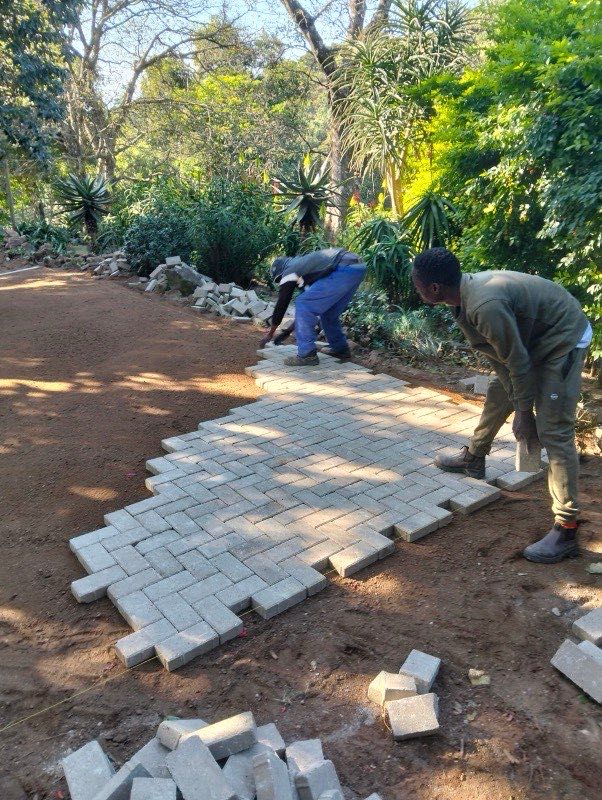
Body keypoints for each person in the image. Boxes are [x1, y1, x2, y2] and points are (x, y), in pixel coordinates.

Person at [411, 247, 592, 564]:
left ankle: (566, 529)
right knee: (500, 389)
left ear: (434, 288)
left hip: (563, 336)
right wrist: (518, 401)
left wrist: (525, 415)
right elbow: (503, 363)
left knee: (553, 431)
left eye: (417, 283)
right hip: (536, 339)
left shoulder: (484, 304)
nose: (416, 287)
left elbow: (518, 364)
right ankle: (474, 457)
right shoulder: (463, 299)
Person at [261, 247, 367, 366]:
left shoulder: (289, 271)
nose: (281, 282)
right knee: (328, 313)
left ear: (281, 272)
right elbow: (309, 312)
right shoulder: (304, 269)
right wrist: (286, 332)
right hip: (356, 268)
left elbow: (282, 305)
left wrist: (271, 333)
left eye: (279, 279)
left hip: (342, 268)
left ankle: (307, 355)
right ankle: (340, 349)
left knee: (302, 303)